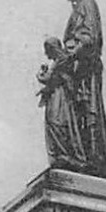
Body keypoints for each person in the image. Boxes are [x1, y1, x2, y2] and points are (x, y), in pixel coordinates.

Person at [55, 0, 106, 178]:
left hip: (86, 68)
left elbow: (90, 36)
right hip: (77, 69)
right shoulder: (78, 8)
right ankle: (85, 156)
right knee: (79, 113)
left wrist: (72, 52)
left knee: (88, 112)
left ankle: (94, 158)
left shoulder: (87, 4)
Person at [38, 36, 87, 172]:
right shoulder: (59, 61)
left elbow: (47, 79)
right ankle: (61, 155)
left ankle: (65, 154)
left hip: (61, 96)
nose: (45, 53)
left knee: (57, 121)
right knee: (53, 122)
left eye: (46, 50)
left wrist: (41, 73)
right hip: (56, 95)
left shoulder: (62, 59)